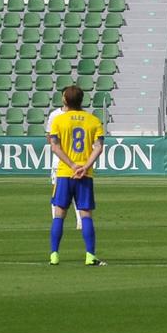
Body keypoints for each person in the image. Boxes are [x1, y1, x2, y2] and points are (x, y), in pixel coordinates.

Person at [48, 84, 105, 266]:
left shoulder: (59, 120)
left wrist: (72, 165)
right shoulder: (93, 121)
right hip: (85, 174)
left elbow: (55, 146)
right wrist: (84, 166)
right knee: (86, 214)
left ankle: (54, 254)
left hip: (65, 172)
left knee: (59, 214)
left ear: (65, 100)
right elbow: (99, 147)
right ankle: (90, 255)